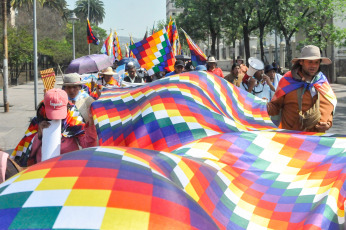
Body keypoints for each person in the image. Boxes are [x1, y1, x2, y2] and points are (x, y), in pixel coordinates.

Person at [267, 45, 337, 132]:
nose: (313, 66)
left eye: (316, 62)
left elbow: (330, 105)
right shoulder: (287, 80)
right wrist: (263, 105)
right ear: (301, 62)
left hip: (317, 140)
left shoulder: (322, 82)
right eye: (310, 62)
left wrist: (328, 123)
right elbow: (275, 107)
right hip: (292, 138)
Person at [28, 89, 97, 165]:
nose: (56, 118)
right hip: (44, 168)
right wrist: (39, 136)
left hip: (68, 168)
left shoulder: (74, 119)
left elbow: (89, 147)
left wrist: (91, 123)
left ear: (67, 107)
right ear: (44, 107)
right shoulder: (38, 120)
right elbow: (28, 153)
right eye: (52, 112)